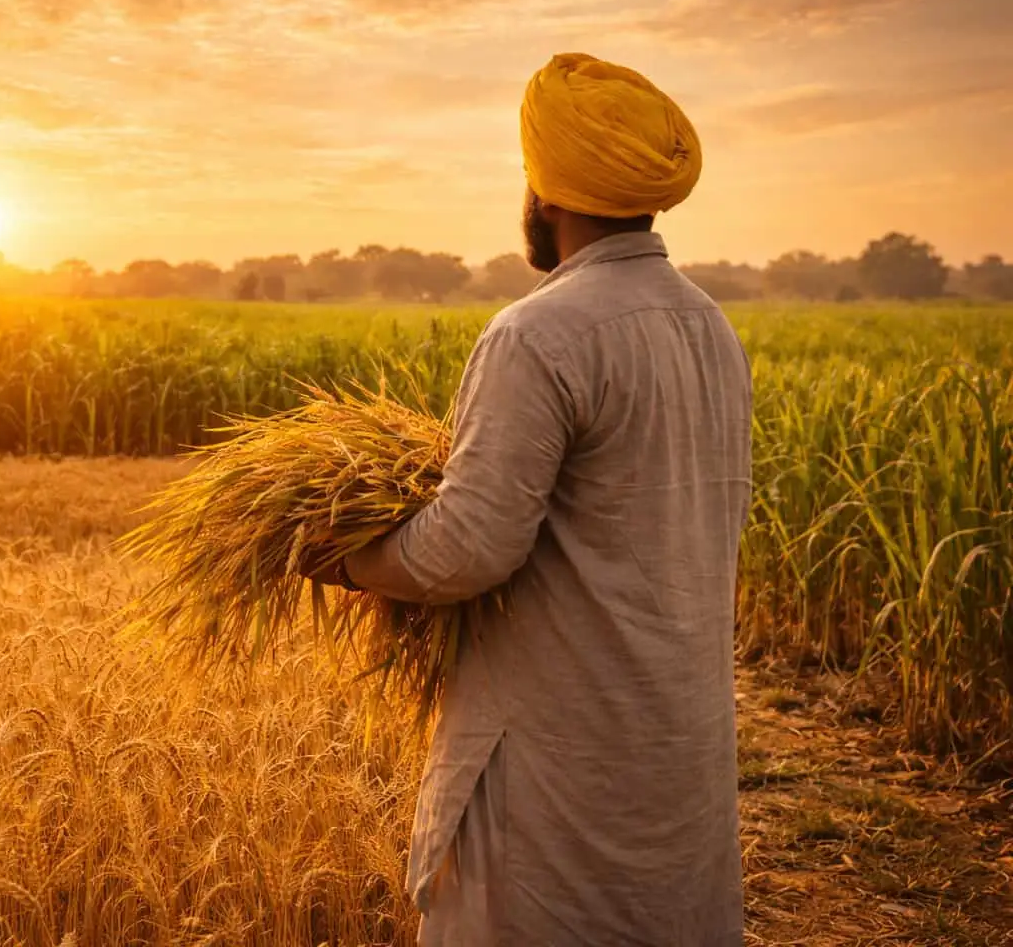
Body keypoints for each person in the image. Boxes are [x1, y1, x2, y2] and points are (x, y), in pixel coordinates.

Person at [304, 52, 754, 944]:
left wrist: (337, 554)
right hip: (676, 737)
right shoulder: (711, 328)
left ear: (543, 192)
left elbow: (466, 548)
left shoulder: (536, 332)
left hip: (562, 749)